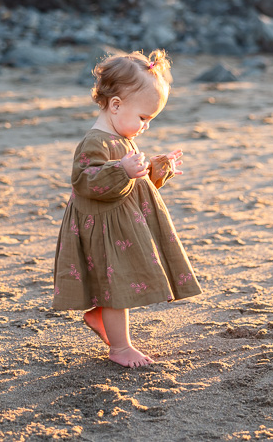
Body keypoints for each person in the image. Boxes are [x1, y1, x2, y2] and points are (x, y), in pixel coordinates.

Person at [52, 49, 201, 367]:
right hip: (103, 229)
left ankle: (98, 315)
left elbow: (133, 187)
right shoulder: (96, 142)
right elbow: (86, 181)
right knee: (117, 286)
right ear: (116, 105)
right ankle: (120, 348)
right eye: (144, 118)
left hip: (121, 226)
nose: (145, 126)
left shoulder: (122, 136)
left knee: (115, 283)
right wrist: (122, 169)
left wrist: (157, 169)